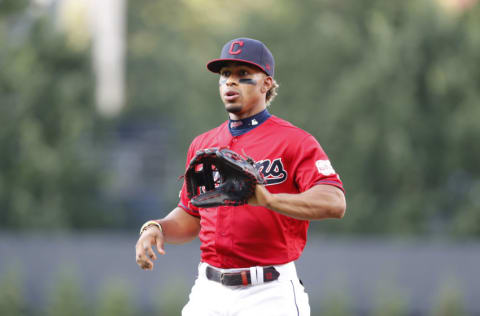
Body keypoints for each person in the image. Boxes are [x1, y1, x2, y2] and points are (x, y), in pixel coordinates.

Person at [135, 37, 346, 316]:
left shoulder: (294, 141)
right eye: (225, 75)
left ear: (266, 83)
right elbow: (191, 214)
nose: (231, 82)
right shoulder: (203, 145)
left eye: (243, 74)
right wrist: (156, 228)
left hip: (269, 293)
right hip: (208, 291)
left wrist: (270, 200)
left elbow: (334, 201)